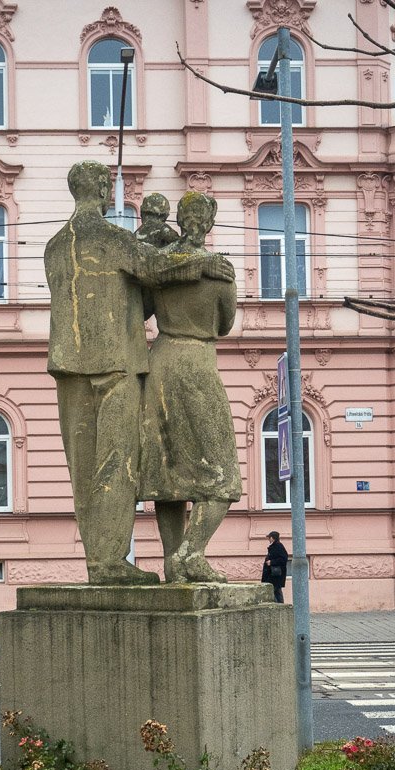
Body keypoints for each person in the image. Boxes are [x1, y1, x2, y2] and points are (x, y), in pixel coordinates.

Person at [44, 162, 235, 585]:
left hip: (67, 364)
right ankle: (111, 562)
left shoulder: (54, 246)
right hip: (116, 365)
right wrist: (205, 263)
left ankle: (98, 563)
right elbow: (155, 268)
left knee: (82, 469)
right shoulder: (113, 239)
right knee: (116, 462)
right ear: (102, 188)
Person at [138, 191, 241, 583]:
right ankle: (191, 553)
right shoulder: (220, 269)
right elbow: (224, 324)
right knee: (222, 474)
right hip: (197, 363)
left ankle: (172, 565)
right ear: (209, 223)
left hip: (160, 361)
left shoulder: (162, 262)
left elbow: (142, 307)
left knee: (168, 474)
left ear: (179, 220)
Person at [261, 531, 289, 603]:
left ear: (272, 538)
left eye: (269, 537)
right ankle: (280, 605)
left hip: (275, 574)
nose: (268, 539)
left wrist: (272, 562)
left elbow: (284, 558)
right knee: (276, 590)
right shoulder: (274, 546)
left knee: (274, 590)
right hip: (273, 573)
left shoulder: (278, 546)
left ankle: (279, 606)